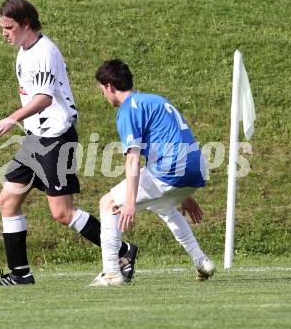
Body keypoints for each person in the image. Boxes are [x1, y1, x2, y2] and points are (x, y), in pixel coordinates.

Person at [0, 0, 137, 286]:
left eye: (9, 27)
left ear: (27, 24)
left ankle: (123, 251)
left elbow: (44, 98)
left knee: (62, 212)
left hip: (56, 139)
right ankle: (21, 275)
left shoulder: (44, 52)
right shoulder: (23, 50)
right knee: (7, 200)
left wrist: (12, 118)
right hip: (36, 140)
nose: (4, 33)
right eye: (2, 27)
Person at [90, 59, 216, 286]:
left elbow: (133, 158)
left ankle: (111, 273)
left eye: (102, 90)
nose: (104, 95)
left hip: (170, 168)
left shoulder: (128, 110)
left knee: (108, 203)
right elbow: (174, 141)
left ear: (109, 86)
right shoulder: (155, 100)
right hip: (197, 167)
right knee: (162, 205)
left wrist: (128, 203)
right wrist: (184, 194)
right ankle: (201, 261)